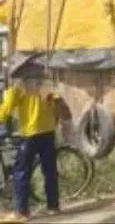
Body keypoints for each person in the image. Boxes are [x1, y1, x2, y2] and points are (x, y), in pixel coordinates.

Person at [0, 63, 67, 222]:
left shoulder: (18, 87)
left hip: (30, 133)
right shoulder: (45, 84)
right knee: (49, 170)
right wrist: (56, 121)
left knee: (21, 172)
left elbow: (6, 109)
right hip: (48, 132)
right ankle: (53, 206)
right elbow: (56, 102)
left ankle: (21, 212)